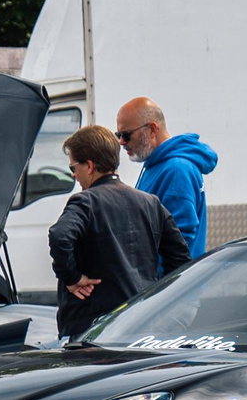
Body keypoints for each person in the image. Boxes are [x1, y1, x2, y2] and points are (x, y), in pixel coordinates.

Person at [49, 124, 189, 341]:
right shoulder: (150, 203)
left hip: (93, 328)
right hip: (142, 322)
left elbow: (60, 236)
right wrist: (158, 298)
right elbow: (180, 259)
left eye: (73, 168)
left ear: (89, 166)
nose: (74, 175)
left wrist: (72, 278)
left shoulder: (84, 202)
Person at [116, 96, 217, 257]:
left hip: (171, 281)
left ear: (152, 129)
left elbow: (179, 242)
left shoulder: (176, 170)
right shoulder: (157, 165)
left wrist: (154, 279)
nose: (121, 141)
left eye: (127, 135)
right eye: (118, 134)